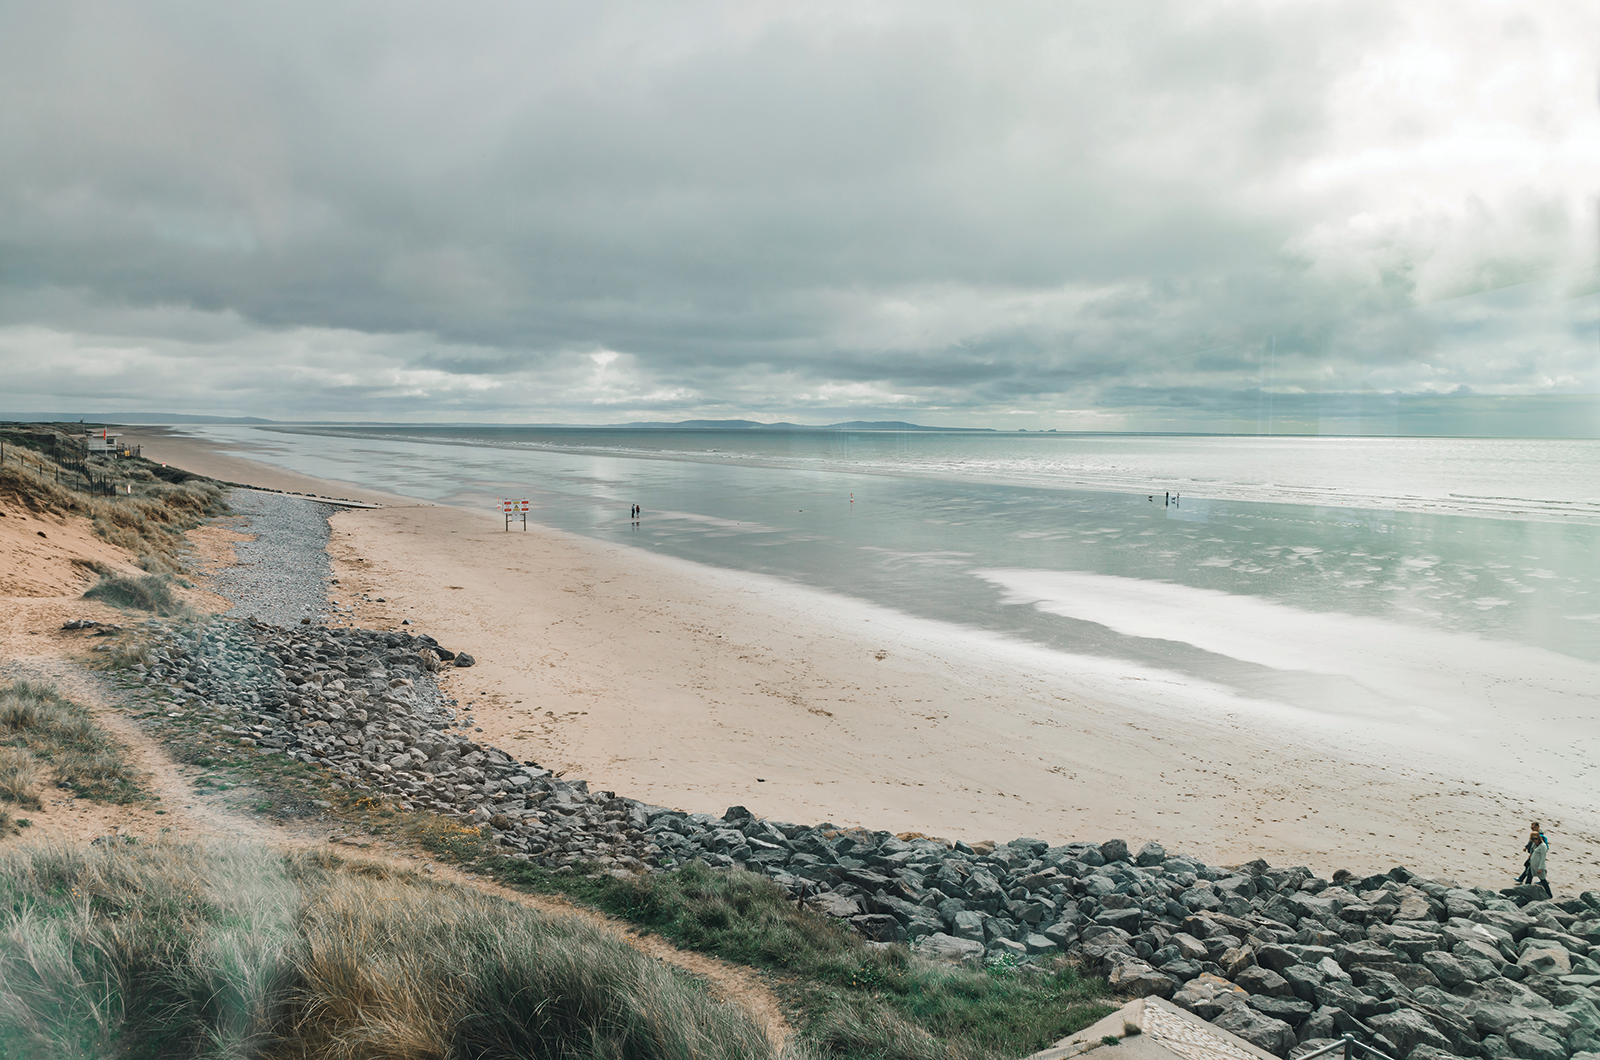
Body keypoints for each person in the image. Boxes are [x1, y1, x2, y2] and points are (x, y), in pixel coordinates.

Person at [1523, 821, 1551, 897]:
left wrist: (1540, 868)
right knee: (1529, 878)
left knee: (1543, 880)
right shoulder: (1534, 844)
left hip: (1538, 866)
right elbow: (1532, 850)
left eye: (1535, 839)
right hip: (1532, 865)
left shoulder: (1543, 846)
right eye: (1532, 839)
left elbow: (1543, 858)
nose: (1534, 840)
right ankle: (1525, 891)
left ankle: (1549, 894)